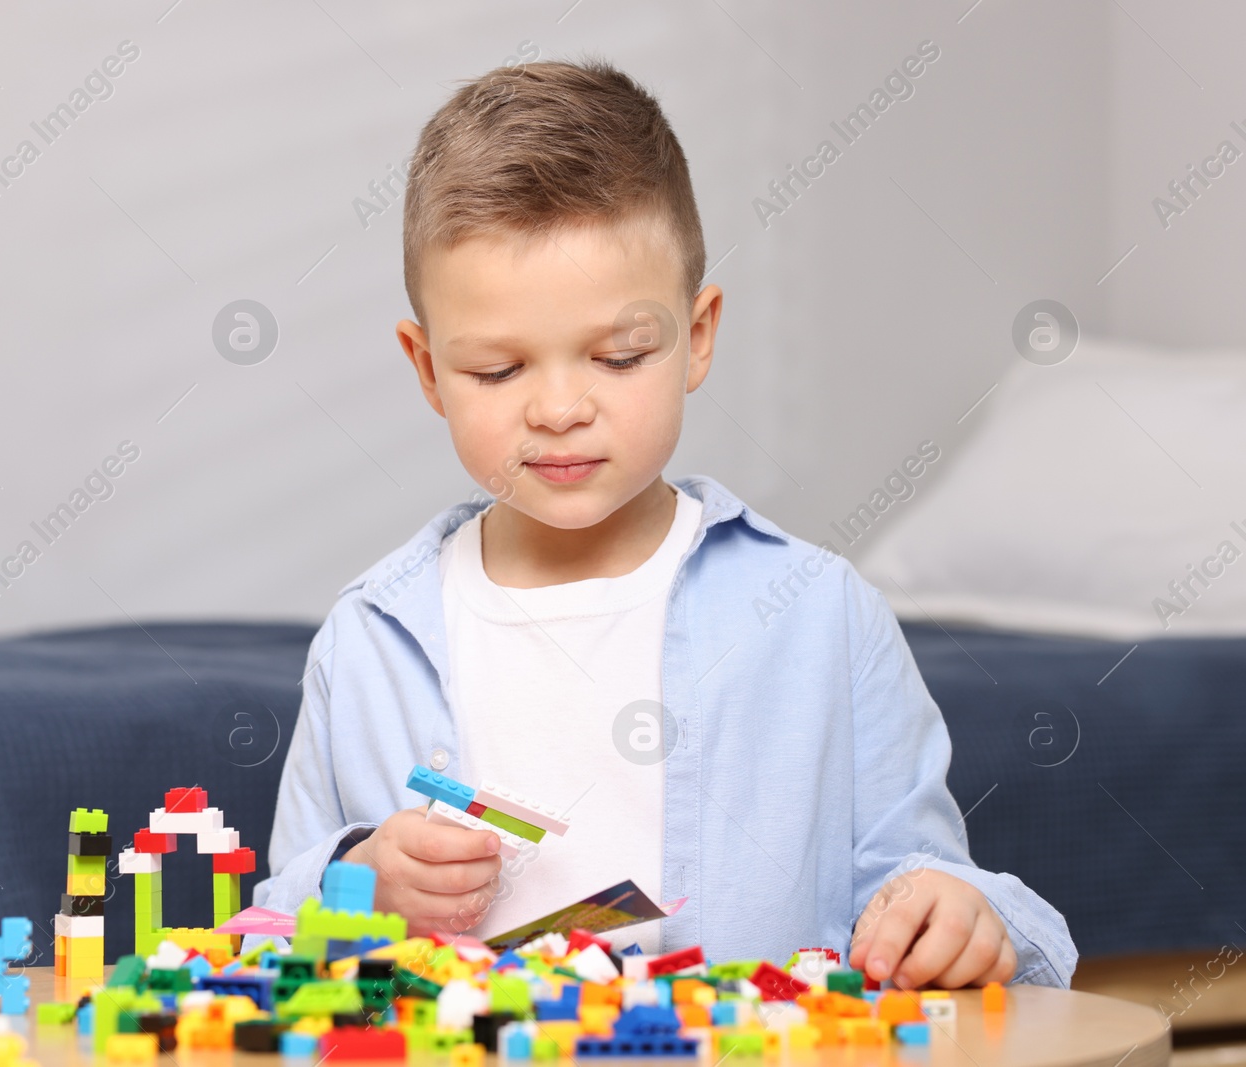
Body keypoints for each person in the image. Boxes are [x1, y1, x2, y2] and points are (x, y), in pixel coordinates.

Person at [254, 57, 1075, 989]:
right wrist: (351, 887)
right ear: (426, 367)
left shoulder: (820, 616)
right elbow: (263, 946)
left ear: (699, 335)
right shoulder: (370, 640)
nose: (560, 408)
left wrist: (957, 915)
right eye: (497, 371)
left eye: (619, 354)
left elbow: (919, 882)